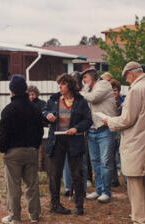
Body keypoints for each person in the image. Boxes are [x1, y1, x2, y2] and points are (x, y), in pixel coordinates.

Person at [102, 62, 145, 224]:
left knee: (135, 184)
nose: (126, 80)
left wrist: (109, 121)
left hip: (137, 142)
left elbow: (127, 119)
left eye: (126, 76)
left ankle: (139, 222)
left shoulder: (137, 89)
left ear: (132, 73)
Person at [0, 75, 44, 224]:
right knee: (32, 184)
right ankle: (34, 215)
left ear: (11, 90)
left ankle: (15, 216)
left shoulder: (8, 110)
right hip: (31, 150)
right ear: (25, 89)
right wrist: (35, 147)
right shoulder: (35, 108)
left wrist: (2, 149)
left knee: (13, 185)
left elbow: (4, 133)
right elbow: (40, 130)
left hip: (13, 152)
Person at [44, 73, 93, 215]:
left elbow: (88, 120)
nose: (60, 86)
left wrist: (76, 128)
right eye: (59, 84)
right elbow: (44, 112)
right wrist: (47, 115)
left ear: (70, 85)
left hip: (74, 140)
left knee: (77, 173)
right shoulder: (53, 100)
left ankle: (79, 205)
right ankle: (55, 204)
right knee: (55, 174)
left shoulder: (80, 101)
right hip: (56, 140)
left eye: (63, 84)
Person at [81, 68, 118, 203]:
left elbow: (93, 98)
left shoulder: (103, 84)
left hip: (105, 129)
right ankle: (99, 189)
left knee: (105, 162)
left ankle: (106, 191)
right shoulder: (89, 90)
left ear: (92, 76)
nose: (83, 80)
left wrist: (83, 91)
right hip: (92, 130)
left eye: (85, 77)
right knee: (95, 161)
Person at [27, 85, 48, 172]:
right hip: (30, 132)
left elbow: (44, 116)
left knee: (42, 152)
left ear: (36, 94)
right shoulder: (26, 104)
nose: (31, 96)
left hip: (41, 131)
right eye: (29, 95)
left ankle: (42, 168)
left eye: (33, 94)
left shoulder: (42, 103)